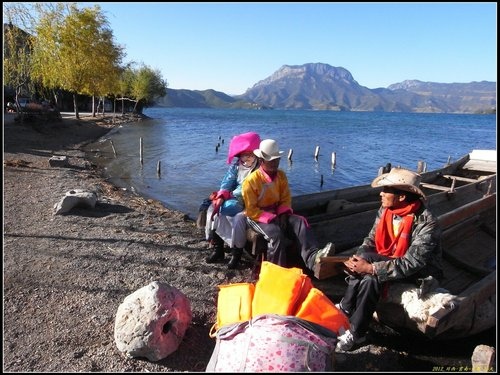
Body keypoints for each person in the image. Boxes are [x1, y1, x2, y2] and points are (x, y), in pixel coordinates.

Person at [335, 167, 443, 352]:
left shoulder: (426, 222)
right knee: (369, 275)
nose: (381, 194)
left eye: (387, 190)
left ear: (402, 197)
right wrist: (357, 261)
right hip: (389, 260)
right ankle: (356, 332)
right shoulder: (385, 211)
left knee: (371, 271)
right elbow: (370, 240)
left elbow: (412, 263)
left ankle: (346, 307)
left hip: (417, 273)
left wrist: (370, 267)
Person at [242, 139, 334, 271]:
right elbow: (251, 210)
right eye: (271, 160)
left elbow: (285, 198)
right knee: (275, 234)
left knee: (300, 223)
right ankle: (276, 270)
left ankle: (313, 258)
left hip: (277, 213)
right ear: (262, 161)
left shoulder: (281, 176)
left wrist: (283, 214)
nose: (275, 163)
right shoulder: (251, 181)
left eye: (277, 160)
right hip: (257, 217)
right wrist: (271, 218)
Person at [205, 131, 261, 269]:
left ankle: (237, 253)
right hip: (233, 199)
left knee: (237, 220)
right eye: (243, 155)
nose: (245, 158)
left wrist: (230, 195)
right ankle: (218, 250)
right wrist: (222, 193)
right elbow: (228, 181)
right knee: (214, 210)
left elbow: (248, 187)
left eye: (249, 154)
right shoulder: (236, 166)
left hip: (251, 202)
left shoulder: (259, 169)